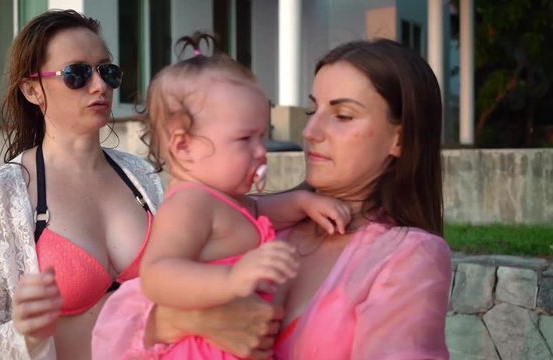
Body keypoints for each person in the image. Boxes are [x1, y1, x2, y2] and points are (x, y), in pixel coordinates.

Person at [93, 38, 452, 359]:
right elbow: (119, 326)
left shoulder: (407, 256)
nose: (310, 131)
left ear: (399, 140)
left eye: (342, 116)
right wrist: (195, 319)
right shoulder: (245, 220)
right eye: (313, 110)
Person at [0, 9, 164, 360]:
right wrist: (24, 336)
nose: (100, 86)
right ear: (32, 89)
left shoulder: (142, 176)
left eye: (107, 70)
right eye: (76, 74)